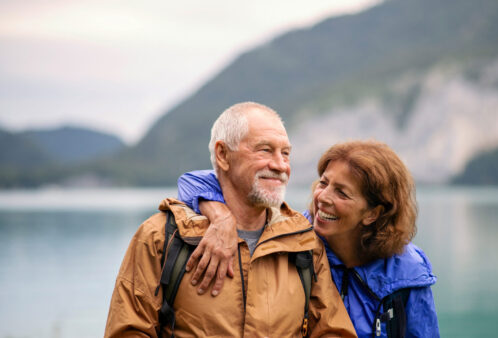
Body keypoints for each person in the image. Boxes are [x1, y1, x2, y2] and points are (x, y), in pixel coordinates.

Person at [105, 102, 356, 337]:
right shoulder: (161, 237)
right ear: (223, 155)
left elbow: (332, 331)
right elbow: (129, 330)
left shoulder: (305, 243)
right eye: (265, 150)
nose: (281, 165)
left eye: (286, 153)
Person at [178, 140, 440, 338]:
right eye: (324, 183)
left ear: (373, 213)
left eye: (342, 193)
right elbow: (191, 181)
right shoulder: (293, 236)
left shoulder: (407, 272)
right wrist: (220, 216)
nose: (323, 197)